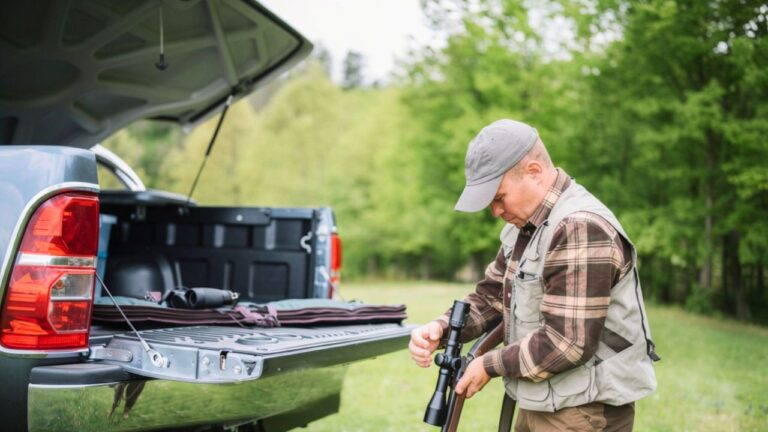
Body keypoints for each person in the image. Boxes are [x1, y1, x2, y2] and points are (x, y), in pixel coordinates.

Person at [409, 119, 659, 432]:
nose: (495, 211)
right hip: (546, 399)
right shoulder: (525, 227)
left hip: (581, 411)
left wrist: (489, 365)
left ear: (534, 173)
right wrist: (441, 328)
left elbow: (566, 342)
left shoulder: (579, 227)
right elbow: (491, 297)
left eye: (499, 197)